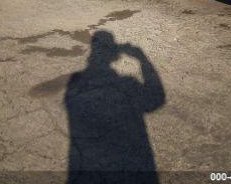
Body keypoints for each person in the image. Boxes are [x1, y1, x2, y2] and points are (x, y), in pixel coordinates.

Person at [65, 31, 165, 184]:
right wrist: (141, 58)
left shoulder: (75, 82)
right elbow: (155, 99)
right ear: (114, 55)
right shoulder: (127, 84)